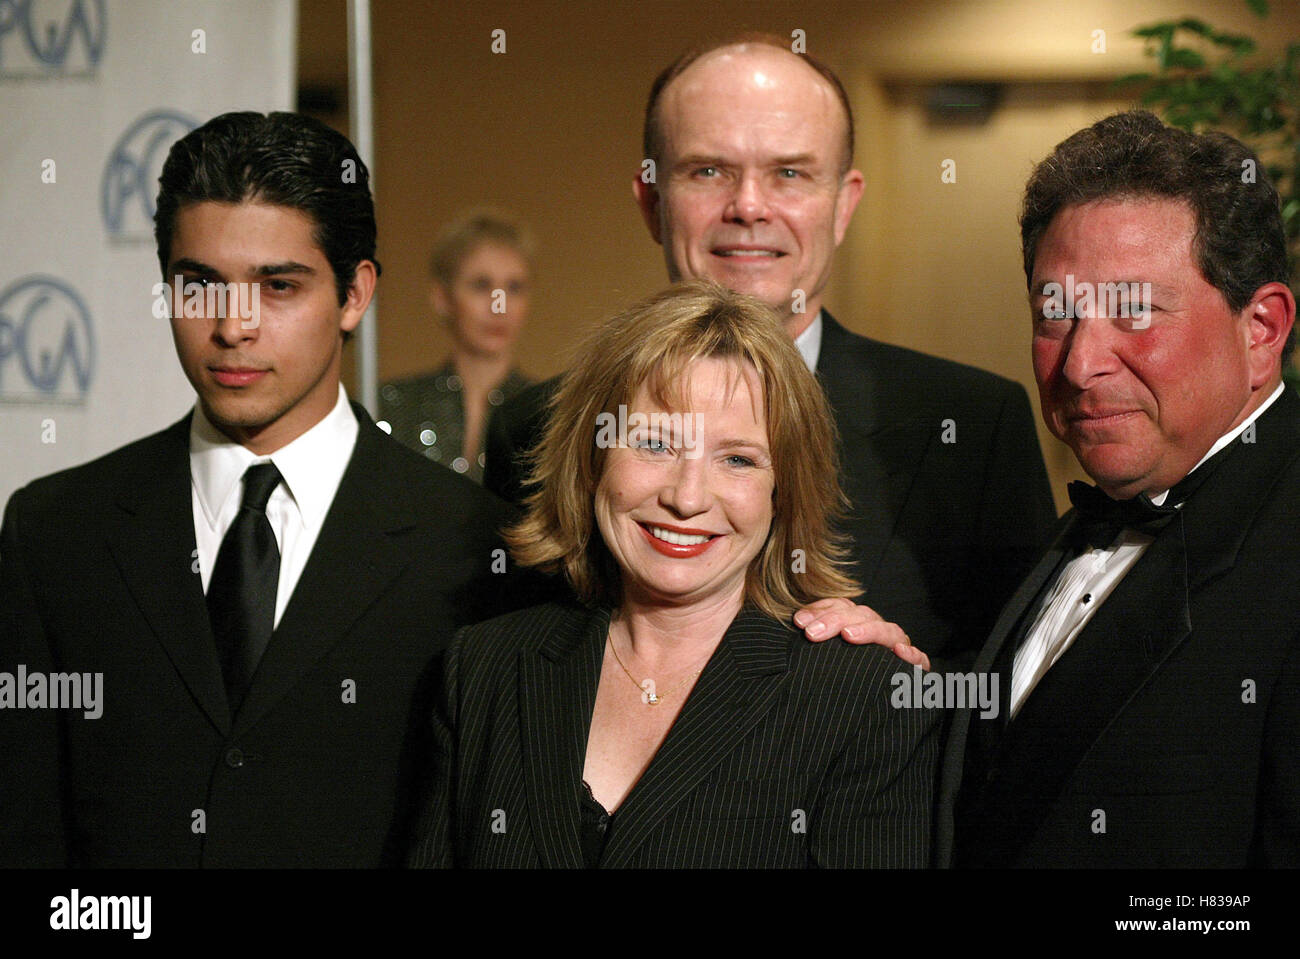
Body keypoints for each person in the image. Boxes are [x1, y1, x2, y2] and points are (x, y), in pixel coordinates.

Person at [0, 112, 522, 868]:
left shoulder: (478, 550)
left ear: (354, 294)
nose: (233, 326)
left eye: (278, 286)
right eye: (199, 285)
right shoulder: (54, 532)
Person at [485, 35, 1056, 665]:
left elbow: (1007, 712)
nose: (749, 207)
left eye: (790, 173)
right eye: (708, 171)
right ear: (652, 202)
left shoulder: (974, 428)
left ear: (843, 204)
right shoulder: (535, 428)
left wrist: (906, 697)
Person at [410, 280, 939, 868]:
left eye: (737, 459)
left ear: (782, 490)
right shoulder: (483, 669)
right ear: (593, 461)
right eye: (655, 445)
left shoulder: (861, 699)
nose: (687, 499)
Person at [936, 111, 1300, 867]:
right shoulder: (1082, 526)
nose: (1079, 364)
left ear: (1261, 329)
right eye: (1054, 314)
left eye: (1133, 310)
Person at [379, 211, 533, 482]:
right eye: (481, 285)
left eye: (514, 288)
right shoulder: (391, 405)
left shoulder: (551, 415)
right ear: (442, 298)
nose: (499, 305)